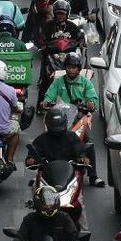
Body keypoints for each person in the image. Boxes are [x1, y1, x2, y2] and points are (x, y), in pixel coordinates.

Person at [40, 53, 101, 186]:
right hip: (60, 118)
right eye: (68, 67)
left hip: (78, 117)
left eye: (74, 67)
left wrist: (91, 103)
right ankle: (40, 173)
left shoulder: (85, 83)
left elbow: (93, 99)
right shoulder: (58, 82)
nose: (71, 70)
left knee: (88, 142)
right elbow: (49, 95)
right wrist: (46, 102)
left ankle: (93, 176)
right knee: (45, 139)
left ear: (79, 69)